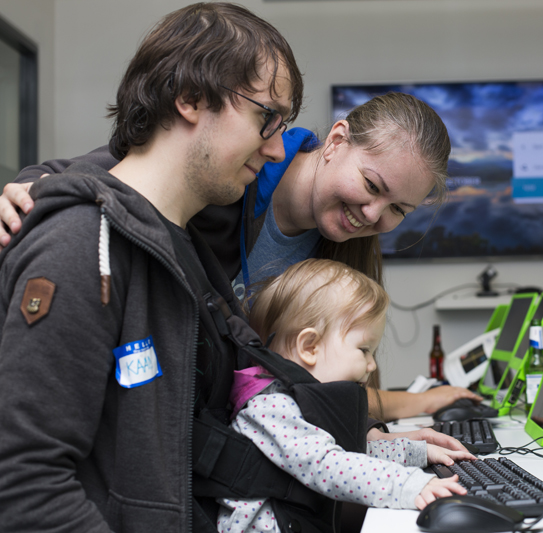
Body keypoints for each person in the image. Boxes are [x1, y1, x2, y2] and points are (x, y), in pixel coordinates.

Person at [0, 3, 305, 531]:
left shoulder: (182, 252)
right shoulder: (80, 244)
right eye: (267, 118)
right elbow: (26, 487)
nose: (278, 149)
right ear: (189, 97)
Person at [4, 93, 484, 423]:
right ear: (336, 141)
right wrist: (26, 188)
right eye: (372, 187)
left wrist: (383, 435)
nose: (373, 214)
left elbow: (317, 382)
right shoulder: (232, 170)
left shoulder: (343, 255)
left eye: (397, 209)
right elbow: (107, 172)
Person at [220, 258, 473, 533]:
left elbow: (349, 451)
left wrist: (418, 453)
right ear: (310, 346)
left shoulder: (303, 401)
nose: (372, 364)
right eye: (364, 350)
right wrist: (407, 485)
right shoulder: (270, 407)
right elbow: (329, 464)